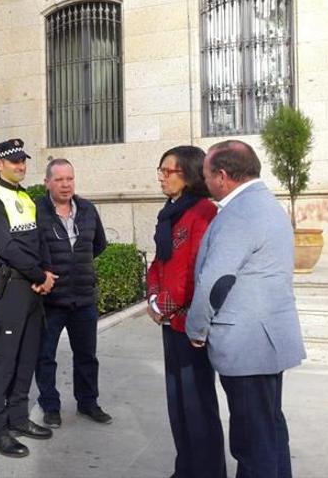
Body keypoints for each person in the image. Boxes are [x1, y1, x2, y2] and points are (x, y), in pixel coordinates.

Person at [187, 140, 306, 478]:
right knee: (269, 430)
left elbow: (215, 280)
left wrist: (197, 328)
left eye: (207, 175)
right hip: (267, 340)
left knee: (251, 441)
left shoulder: (240, 212)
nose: (205, 182)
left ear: (223, 176)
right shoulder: (265, 202)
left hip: (247, 344)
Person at [146, 146, 226, 478]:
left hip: (191, 323)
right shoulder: (170, 211)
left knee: (197, 404)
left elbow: (195, 269)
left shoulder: (204, 211)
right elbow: (158, 263)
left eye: (169, 171)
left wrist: (163, 304)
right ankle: (186, 468)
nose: (162, 178)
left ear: (190, 175)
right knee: (177, 401)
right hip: (169, 319)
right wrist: (152, 297)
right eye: (161, 171)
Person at [0, 138, 55, 458]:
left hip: (34, 289)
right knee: (4, 361)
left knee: (27, 358)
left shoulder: (26, 196)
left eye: (23, 160)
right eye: (13, 162)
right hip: (11, 290)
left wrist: (47, 274)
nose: (20, 166)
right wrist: (39, 275)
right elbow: (8, 249)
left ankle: (19, 419)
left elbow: (40, 239)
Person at [34, 158, 111, 428]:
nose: (66, 185)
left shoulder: (88, 209)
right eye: (59, 180)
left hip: (83, 299)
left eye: (70, 179)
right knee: (45, 357)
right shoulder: (37, 212)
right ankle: (50, 406)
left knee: (87, 356)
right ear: (47, 183)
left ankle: (88, 403)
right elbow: (30, 251)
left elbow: (99, 244)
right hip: (51, 301)